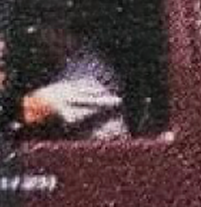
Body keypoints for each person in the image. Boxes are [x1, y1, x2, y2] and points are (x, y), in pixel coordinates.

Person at [11, 10, 129, 140]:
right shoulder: (58, 70)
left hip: (107, 156)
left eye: (44, 30)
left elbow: (35, 107)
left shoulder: (90, 70)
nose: (38, 40)